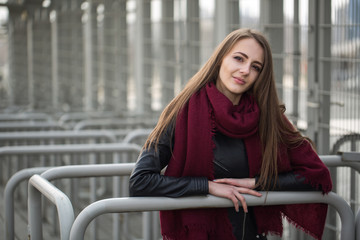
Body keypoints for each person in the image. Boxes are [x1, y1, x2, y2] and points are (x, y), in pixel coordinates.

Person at [129, 28, 332, 240]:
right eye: (238, 58)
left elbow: (316, 175)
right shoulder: (182, 111)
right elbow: (140, 181)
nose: (245, 70)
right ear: (220, 60)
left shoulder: (268, 117)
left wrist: (255, 182)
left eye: (255, 67)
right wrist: (208, 187)